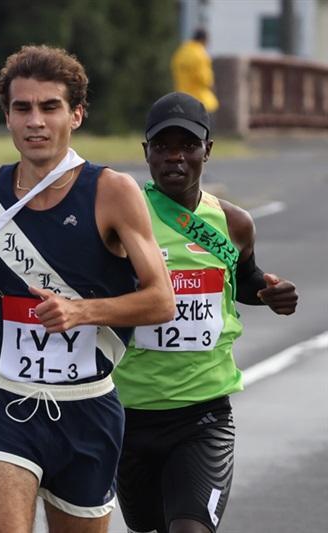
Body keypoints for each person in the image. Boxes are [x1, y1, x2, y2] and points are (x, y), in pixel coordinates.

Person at [0, 44, 176, 533]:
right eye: (22, 108)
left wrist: (83, 312)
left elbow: (161, 300)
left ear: (75, 114)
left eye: (50, 107)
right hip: (3, 403)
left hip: (88, 409)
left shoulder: (112, 192)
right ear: (8, 117)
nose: (35, 121)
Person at [112, 92, 298, 533]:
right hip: (129, 412)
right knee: (148, 526)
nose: (175, 158)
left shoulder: (235, 224)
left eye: (188, 146)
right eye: (162, 147)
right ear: (146, 153)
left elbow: (244, 282)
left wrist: (270, 294)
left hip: (202, 414)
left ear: (207, 151)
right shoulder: (123, 219)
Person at [171, 29, 219, 115]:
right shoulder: (200, 54)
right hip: (199, 99)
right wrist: (212, 86)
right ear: (203, 40)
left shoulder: (181, 52)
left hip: (181, 98)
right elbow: (205, 79)